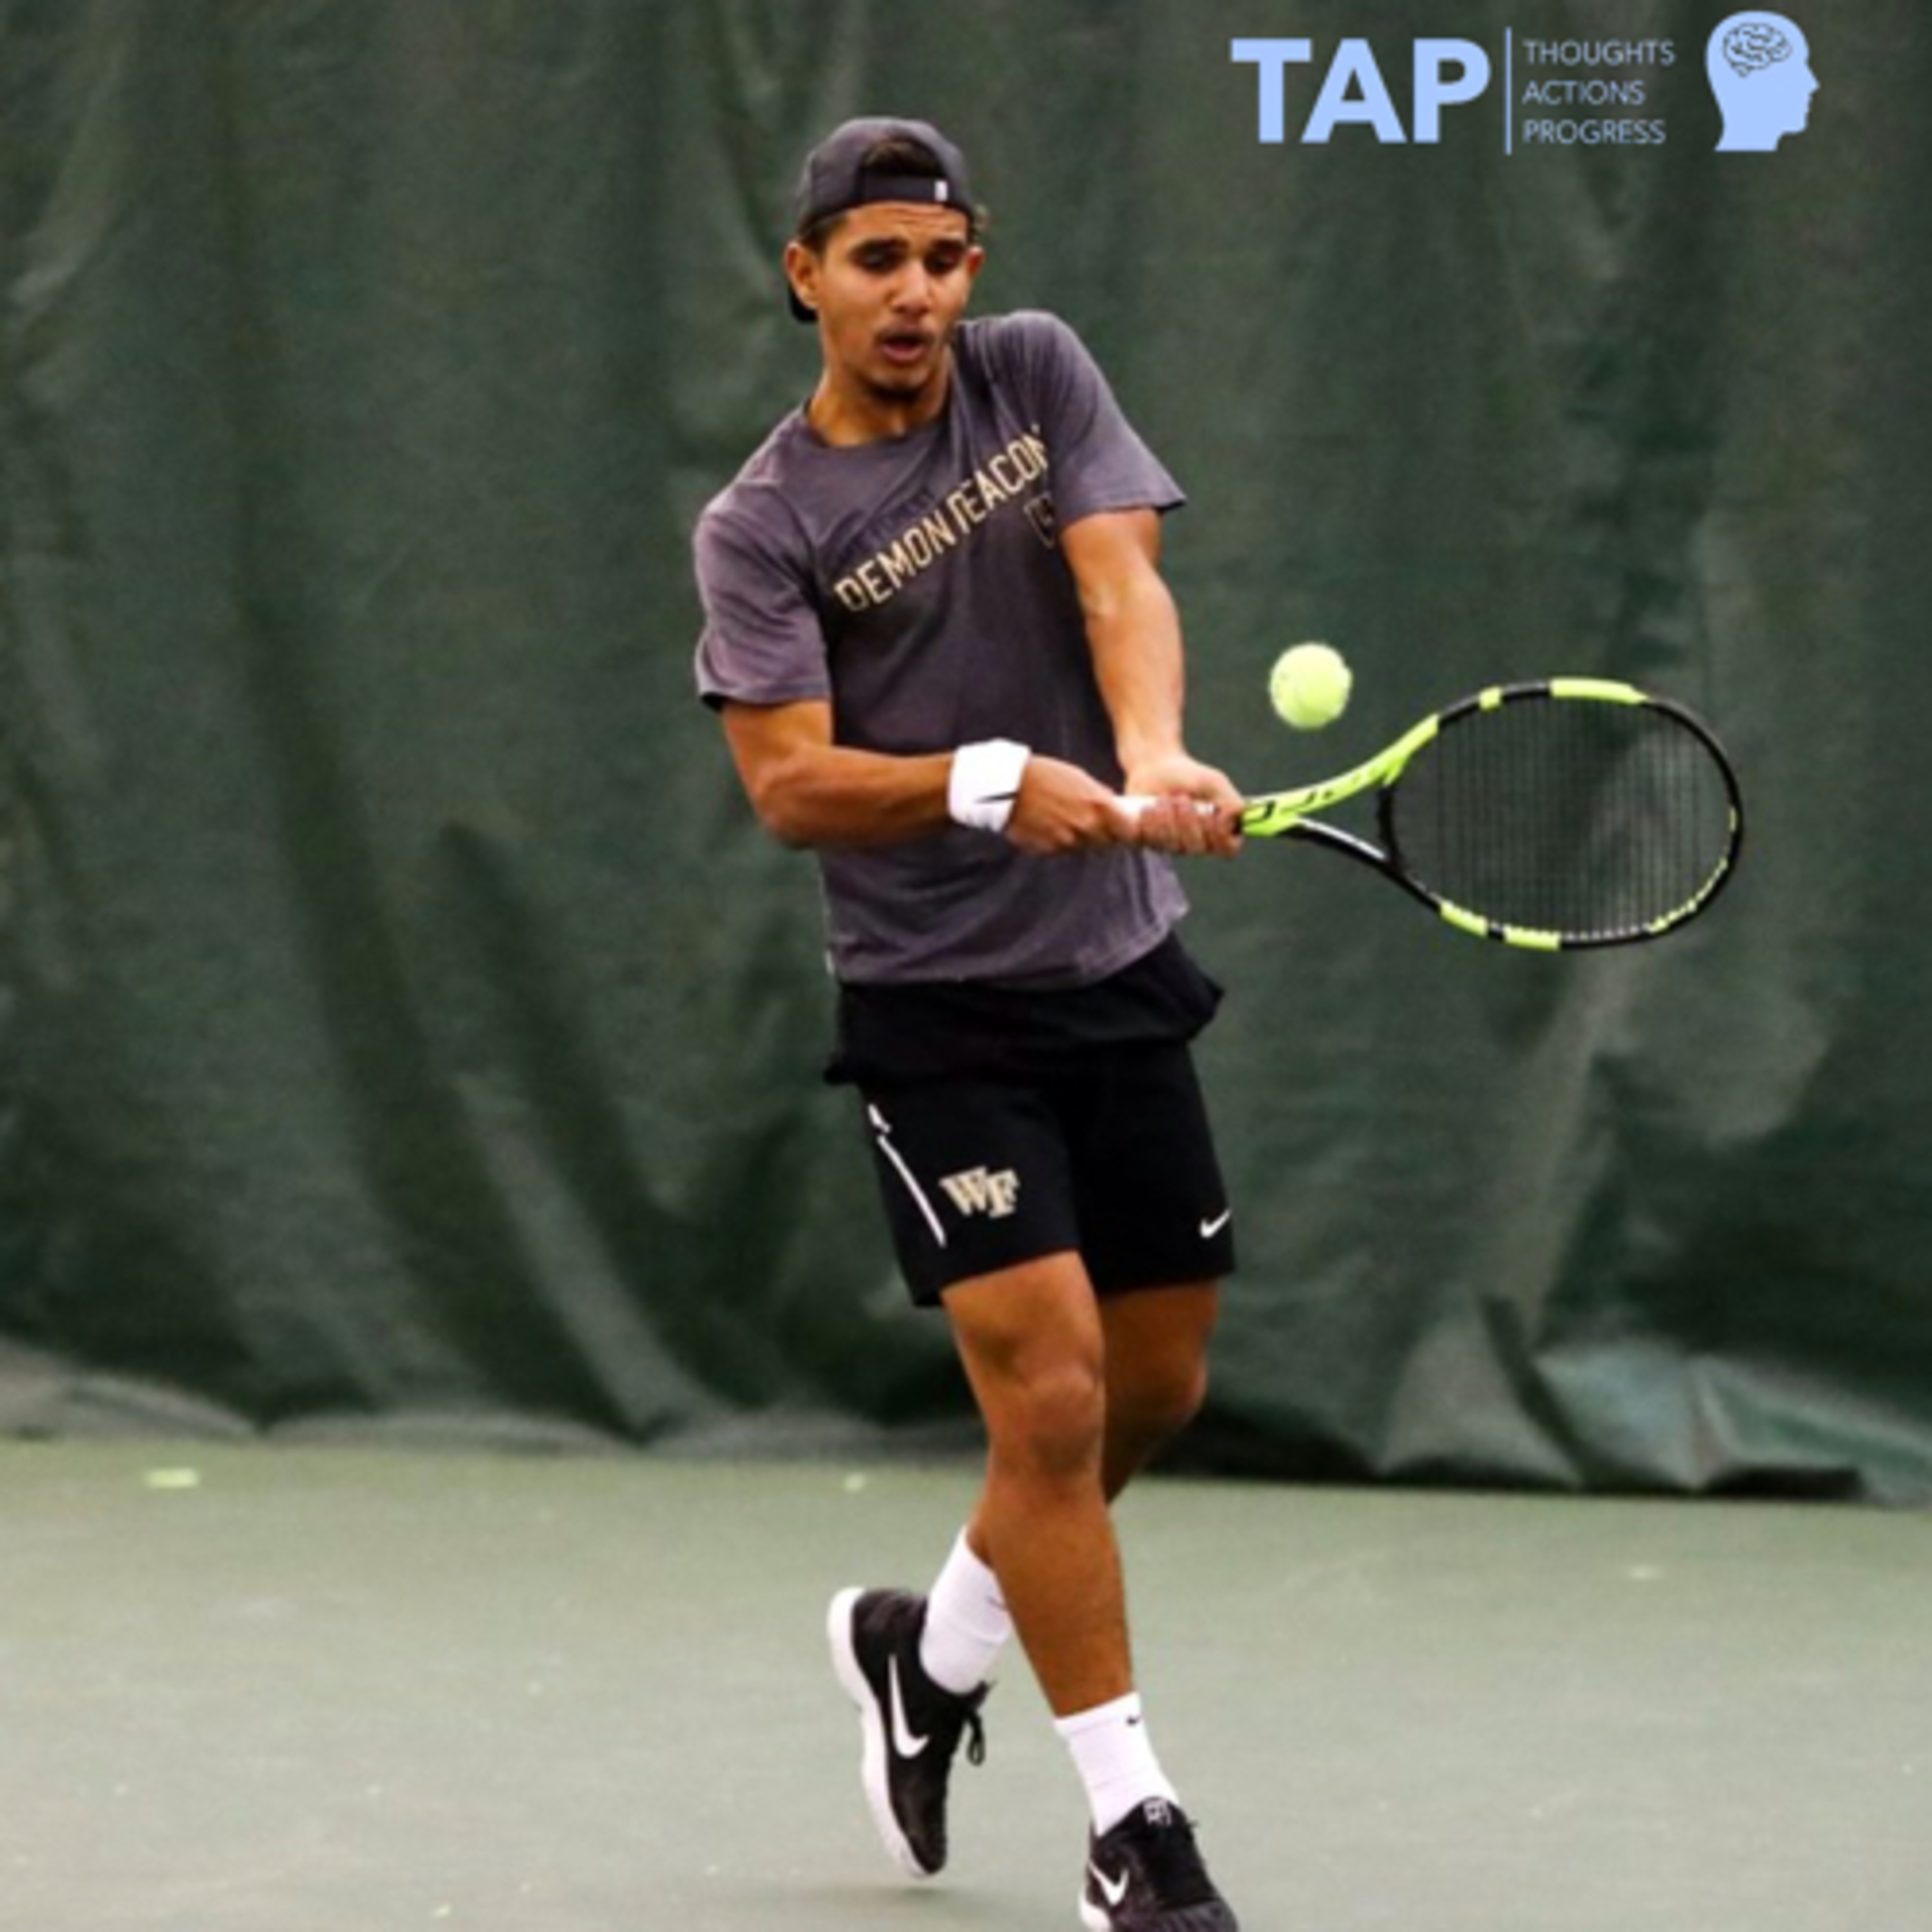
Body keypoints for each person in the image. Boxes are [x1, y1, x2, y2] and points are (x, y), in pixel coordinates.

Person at [692, 114, 1244, 1932]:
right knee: (1056, 1395)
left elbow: (1120, 577)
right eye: (877, 262)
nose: (915, 294)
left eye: (941, 259)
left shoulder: (1036, 373)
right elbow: (788, 784)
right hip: (937, 1013)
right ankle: (1132, 1827)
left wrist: (1151, 752)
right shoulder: (762, 526)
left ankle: (924, 1656)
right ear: (808, 277)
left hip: (1116, 967)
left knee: (1154, 1387)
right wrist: (985, 779)